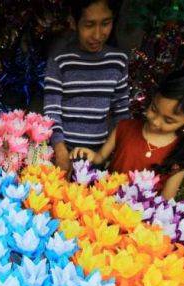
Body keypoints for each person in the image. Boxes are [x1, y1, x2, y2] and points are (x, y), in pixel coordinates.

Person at [70, 66, 184, 199]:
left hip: (137, 220)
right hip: (103, 202)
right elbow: (100, 157)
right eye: (154, 109)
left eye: (168, 120)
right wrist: (90, 156)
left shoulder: (182, 153)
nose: (155, 121)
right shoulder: (125, 127)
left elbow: (165, 200)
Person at [44, 0, 130, 174]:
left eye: (105, 23)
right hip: (62, 155)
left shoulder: (118, 61)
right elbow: (52, 110)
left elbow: (121, 113)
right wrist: (60, 152)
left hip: (98, 156)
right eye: (89, 25)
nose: (98, 35)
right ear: (73, 22)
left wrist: (107, 154)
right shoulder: (60, 61)